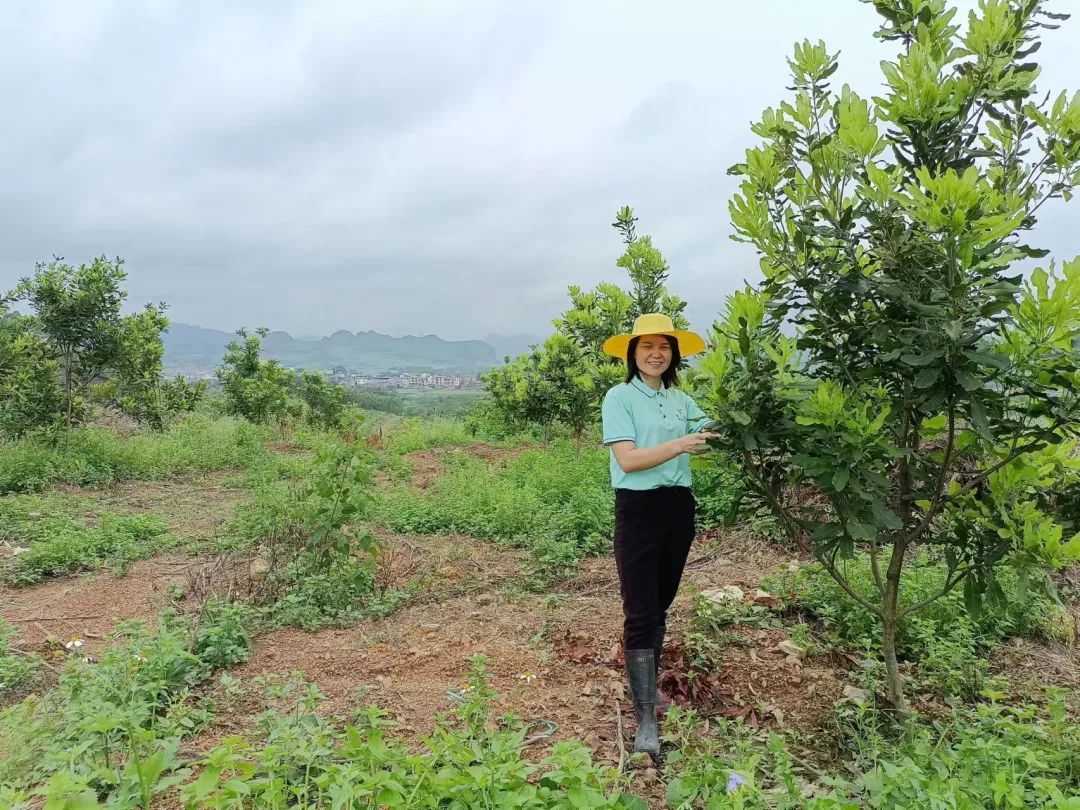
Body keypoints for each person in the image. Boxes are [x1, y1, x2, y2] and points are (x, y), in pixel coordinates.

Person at [600, 312, 716, 760]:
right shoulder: (619, 397)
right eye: (646, 346)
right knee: (641, 609)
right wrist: (680, 445)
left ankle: (647, 683)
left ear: (674, 355)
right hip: (639, 509)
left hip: (677, 508)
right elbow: (627, 461)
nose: (656, 354)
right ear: (633, 353)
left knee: (661, 603)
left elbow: (704, 429)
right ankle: (645, 716)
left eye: (664, 347)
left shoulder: (680, 399)